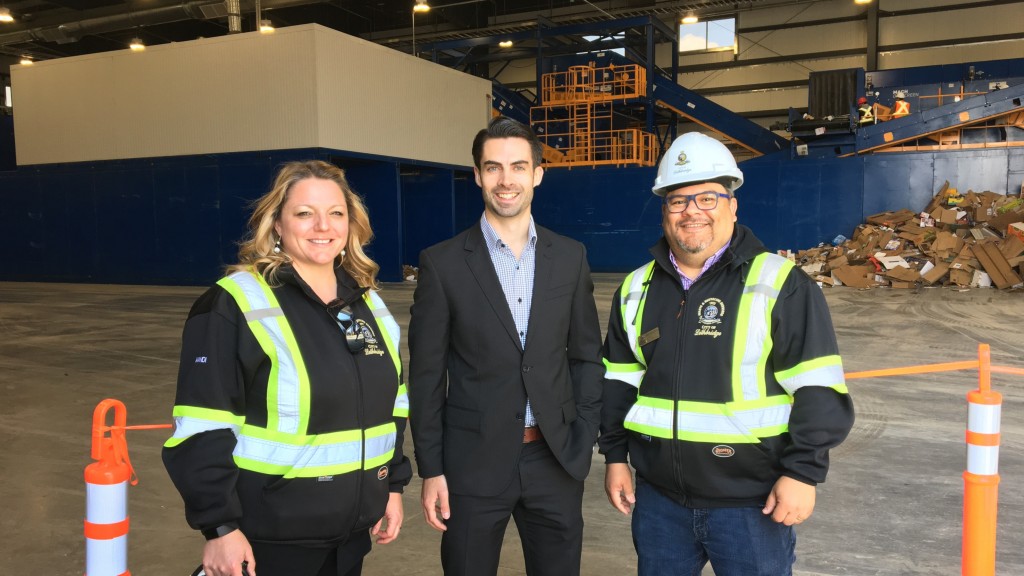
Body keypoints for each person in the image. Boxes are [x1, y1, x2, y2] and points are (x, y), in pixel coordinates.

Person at [600, 132, 854, 576]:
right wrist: (616, 458)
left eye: (708, 198)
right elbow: (619, 382)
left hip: (751, 506)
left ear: (732, 205)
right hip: (660, 503)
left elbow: (818, 387)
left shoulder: (781, 283)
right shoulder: (635, 289)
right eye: (679, 201)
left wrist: (803, 473)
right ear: (665, 212)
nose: (692, 211)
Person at [163, 160, 411, 576]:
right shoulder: (234, 303)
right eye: (304, 213)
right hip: (269, 539)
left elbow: (394, 406)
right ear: (277, 224)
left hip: (350, 537)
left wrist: (391, 484)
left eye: (336, 213)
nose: (322, 226)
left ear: (351, 224)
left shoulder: (368, 304)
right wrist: (219, 528)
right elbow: (202, 426)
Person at [408, 116, 604, 576]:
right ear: (477, 175)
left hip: (555, 459)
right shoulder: (442, 264)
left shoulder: (570, 256)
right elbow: (427, 376)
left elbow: (586, 357)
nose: (506, 180)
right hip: (471, 464)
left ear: (537, 173)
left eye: (518, 166)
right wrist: (431, 468)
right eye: (493, 167)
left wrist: (583, 434)